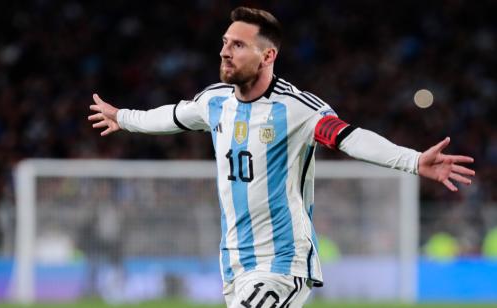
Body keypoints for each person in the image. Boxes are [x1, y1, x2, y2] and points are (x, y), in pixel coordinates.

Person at [88, 6, 475, 308]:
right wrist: (123, 118)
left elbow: (349, 137)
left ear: (268, 54)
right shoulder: (215, 102)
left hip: (283, 261)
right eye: (224, 42)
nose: (225, 51)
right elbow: (172, 115)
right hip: (235, 261)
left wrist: (412, 160)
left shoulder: (297, 110)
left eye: (238, 45)